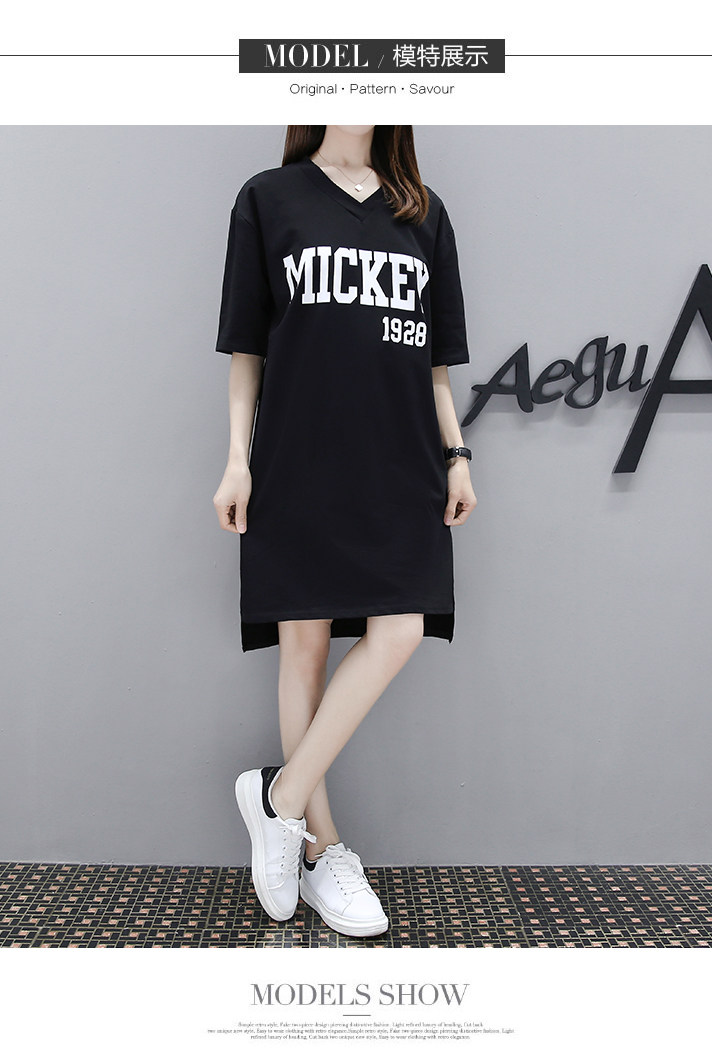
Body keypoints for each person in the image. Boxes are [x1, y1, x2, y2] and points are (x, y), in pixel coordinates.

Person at [212, 125, 477, 938]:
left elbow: (435, 361)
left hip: (401, 458)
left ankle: (280, 797)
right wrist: (236, 460)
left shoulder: (423, 211)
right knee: (305, 647)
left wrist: (457, 453)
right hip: (298, 455)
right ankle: (323, 850)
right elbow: (246, 349)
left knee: (401, 627)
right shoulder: (269, 198)